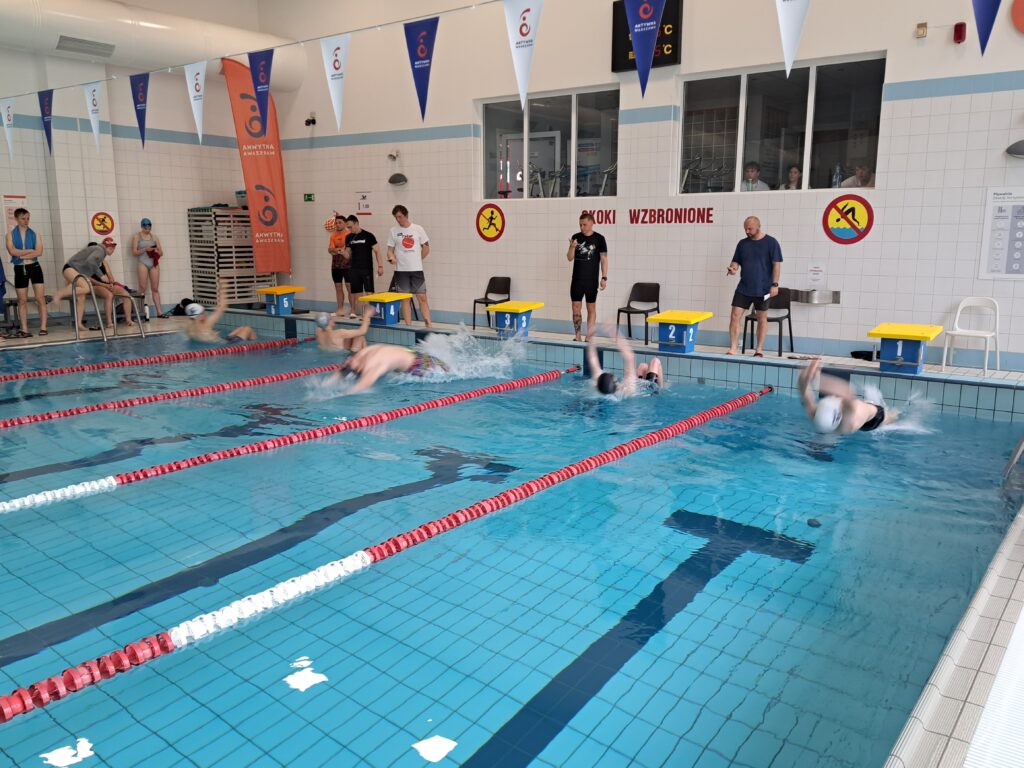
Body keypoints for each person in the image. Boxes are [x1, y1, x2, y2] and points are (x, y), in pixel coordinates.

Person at [49, 238, 135, 332]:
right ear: (106, 246)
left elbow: (89, 265)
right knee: (86, 288)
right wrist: (101, 275)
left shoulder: (101, 257)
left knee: (81, 298)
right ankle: (59, 294)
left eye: (113, 247)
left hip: (75, 271)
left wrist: (109, 282)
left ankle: (79, 324)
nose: (112, 250)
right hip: (71, 269)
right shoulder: (100, 250)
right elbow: (90, 262)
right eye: (111, 247)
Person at [726, 216, 783, 357]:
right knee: (735, 315)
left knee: (761, 318)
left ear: (758, 226)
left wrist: (775, 284)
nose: (747, 231)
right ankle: (733, 347)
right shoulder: (742, 244)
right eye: (745, 229)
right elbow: (736, 261)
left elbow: (776, 265)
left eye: (749, 228)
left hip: (763, 288)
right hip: (744, 287)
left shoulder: (771, 242)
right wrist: (733, 268)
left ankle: (759, 349)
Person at [798, 359, 897, 433]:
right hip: (875, 418)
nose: (833, 397)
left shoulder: (815, 415)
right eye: (832, 399)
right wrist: (818, 380)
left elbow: (804, 392)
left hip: (852, 417)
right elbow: (847, 391)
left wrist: (805, 377)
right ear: (840, 411)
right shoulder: (850, 420)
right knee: (892, 417)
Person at [336, 343, 449, 394]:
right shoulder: (362, 355)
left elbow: (362, 386)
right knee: (448, 370)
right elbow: (343, 372)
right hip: (417, 356)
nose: (347, 360)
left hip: (420, 365)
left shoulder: (374, 366)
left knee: (447, 373)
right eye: (348, 363)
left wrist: (339, 394)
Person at [4, 207, 48, 337]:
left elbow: (39, 252)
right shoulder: (10, 235)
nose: (26, 221)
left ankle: (43, 327)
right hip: (20, 268)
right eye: (23, 218)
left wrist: (21, 255)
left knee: (40, 298)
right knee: (22, 300)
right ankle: (24, 329)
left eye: (28, 218)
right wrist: (29, 251)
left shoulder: (35, 234)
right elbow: (12, 251)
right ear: (16, 219)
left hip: (35, 267)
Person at [386, 205, 432, 327]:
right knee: (405, 299)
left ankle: (429, 325)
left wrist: (417, 259)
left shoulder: (418, 229)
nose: (398, 220)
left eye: (400, 217)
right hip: (401, 271)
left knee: (422, 297)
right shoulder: (393, 231)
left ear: (406, 215)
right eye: (396, 217)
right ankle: (408, 326)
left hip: (416, 270)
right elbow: (390, 250)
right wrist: (391, 257)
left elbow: (426, 248)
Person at [566, 212, 609, 342]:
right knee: (575, 308)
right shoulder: (576, 237)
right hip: (577, 280)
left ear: (591, 223)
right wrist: (572, 247)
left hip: (591, 280)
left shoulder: (599, 239)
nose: (582, 227)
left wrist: (604, 278)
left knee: (591, 308)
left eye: (584, 224)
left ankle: (589, 336)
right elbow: (569, 258)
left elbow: (604, 259)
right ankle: (578, 336)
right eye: (580, 225)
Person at [585, 331, 664, 397]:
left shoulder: (599, 384)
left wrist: (591, 340)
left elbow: (592, 359)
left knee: (642, 367)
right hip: (649, 392)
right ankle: (660, 388)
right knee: (655, 361)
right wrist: (615, 333)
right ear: (615, 382)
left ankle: (659, 385)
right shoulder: (627, 388)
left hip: (640, 389)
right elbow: (630, 357)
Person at [183, 280, 256, 344]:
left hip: (221, 342)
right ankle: (254, 346)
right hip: (227, 346)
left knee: (241, 329)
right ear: (199, 316)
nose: (205, 314)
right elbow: (222, 306)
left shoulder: (189, 327)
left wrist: (213, 335)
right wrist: (223, 287)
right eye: (203, 312)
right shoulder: (206, 323)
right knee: (247, 329)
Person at [131, 218, 166, 319]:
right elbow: (134, 252)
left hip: (154, 263)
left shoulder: (154, 237)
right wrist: (145, 249)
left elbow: (161, 253)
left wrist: (156, 251)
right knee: (142, 287)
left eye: (149, 227)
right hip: (143, 263)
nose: (147, 229)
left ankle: (159, 312)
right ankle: (139, 311)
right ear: (142, 227)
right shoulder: (137, 237)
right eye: (145, 227)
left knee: (155, 288)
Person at [345, 215, 382, 309]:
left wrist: (380, 266)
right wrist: (341, 252)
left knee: (369, 293)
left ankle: (370, 313)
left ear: (356, 223)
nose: (349, 229)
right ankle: (363, 314)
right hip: (354, 269)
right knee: (358, 295)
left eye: (350, 227)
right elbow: (348, 255)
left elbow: (377, 251)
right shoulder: (349, 237)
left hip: (366, 269)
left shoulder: (368, 236)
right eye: (347, 227)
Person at [328, 214, 353, 317]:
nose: (337, 225)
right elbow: (330, 250)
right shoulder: (333, 236)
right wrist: (339, 250)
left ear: (345, 223)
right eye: (336, 223)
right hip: (336, 265)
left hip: (348, 265)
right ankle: (340, 309)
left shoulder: (349, 235)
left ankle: (353, 311)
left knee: (349, 288)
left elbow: (348, 251)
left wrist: (337, 250)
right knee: (338, 288)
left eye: (340, 223)